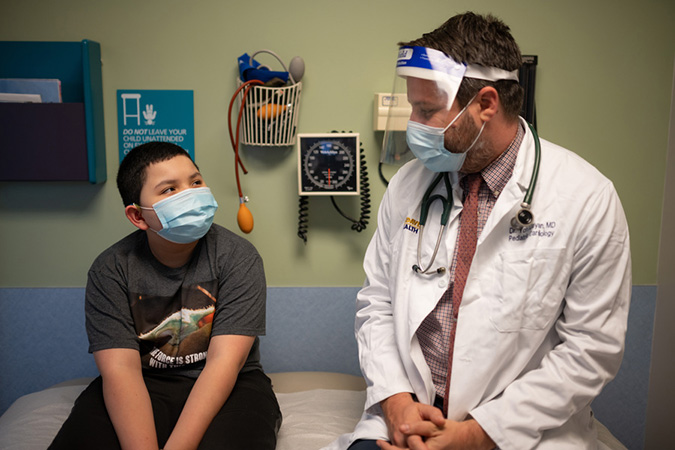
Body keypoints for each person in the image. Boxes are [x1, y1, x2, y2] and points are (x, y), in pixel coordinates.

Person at [325, 12, 631, 450]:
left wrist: (479, 433)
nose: (412, 123)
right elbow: (377, 304)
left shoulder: (586, 198)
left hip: (519, 434)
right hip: (409, 422)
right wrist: (396, 403)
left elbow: (591, 348)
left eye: (427, 110)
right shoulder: (409, 186)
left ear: (486, 103)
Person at [49, 142, 282, 450]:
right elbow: (121, 370)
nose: (190, 194)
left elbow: (225, 362)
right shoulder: (111, 270)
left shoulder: (238, 257)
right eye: (169, 190)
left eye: (195, 182)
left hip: (234, 384)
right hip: (143, 383)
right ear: (138, 216)